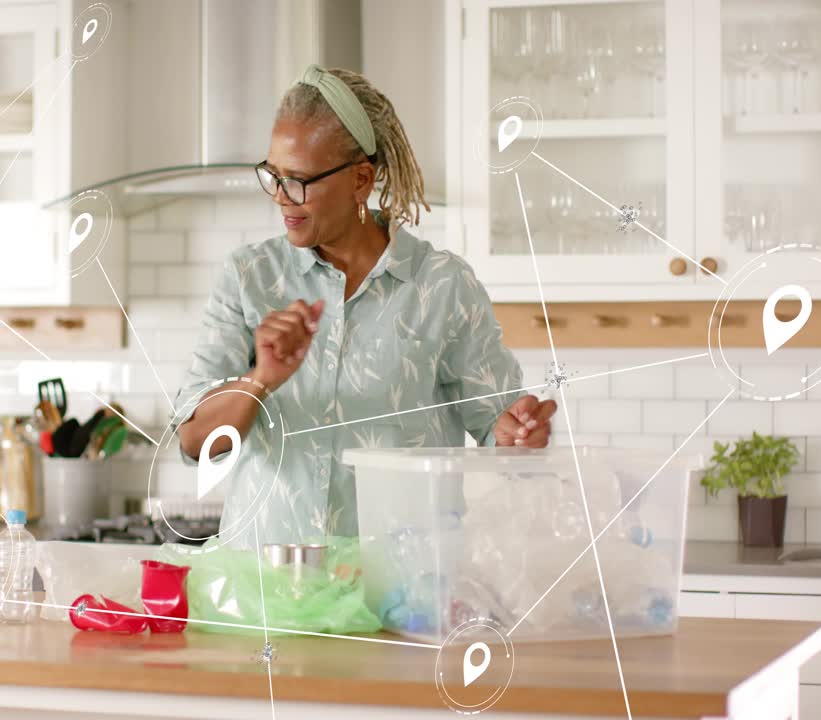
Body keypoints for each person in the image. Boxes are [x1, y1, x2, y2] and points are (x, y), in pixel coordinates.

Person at [172, 64, 556, 547]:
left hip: (400, 579)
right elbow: (195, 443)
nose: (282, 198)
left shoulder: (442, 285)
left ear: (360, 179)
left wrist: (518, 435)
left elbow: (500, 429)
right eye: (274, 176)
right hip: (267, 580)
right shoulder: (250, 277)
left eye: (299, 180)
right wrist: (260, 379)